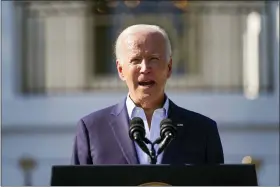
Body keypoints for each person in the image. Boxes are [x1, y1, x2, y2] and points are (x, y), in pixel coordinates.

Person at [71, 24, 224, 165]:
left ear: (169, 67)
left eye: (154, 59)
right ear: (120, 70)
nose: (145, 68)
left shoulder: (203, 131)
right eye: (135, 60)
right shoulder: (91, 129)